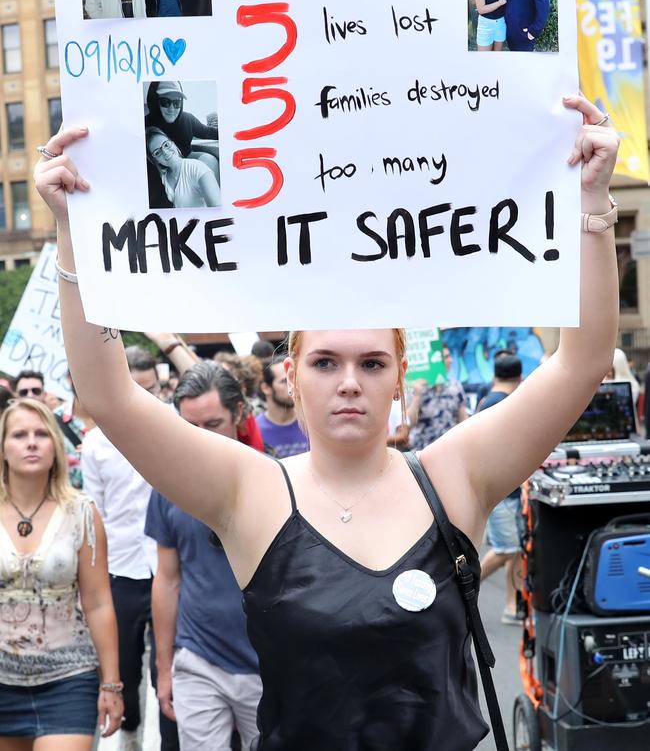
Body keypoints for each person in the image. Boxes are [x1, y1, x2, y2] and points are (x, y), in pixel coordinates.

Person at [34, 94, 619, 750]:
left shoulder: (456, 474)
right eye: (325, 361)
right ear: (291, 372)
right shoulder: (250, 491)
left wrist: (591, 208)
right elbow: (110, 396)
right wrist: (73, 234)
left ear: (400, 373)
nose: (348, 381)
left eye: (371, 362)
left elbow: (583, 362)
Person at [146, 362, 261, 751]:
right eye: (188, 428)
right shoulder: (166, 484)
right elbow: (167, 579)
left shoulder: (274, 480)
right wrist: (165, 668)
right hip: (197, 660)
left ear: (239, 414)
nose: (198, 439)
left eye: (212, 425)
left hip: (268, 667)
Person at [0, 398, 123, 747]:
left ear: (56, 446)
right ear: (3, 448)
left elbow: (98, 603)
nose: (32, 442)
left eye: (42, 433)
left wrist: (111, 683)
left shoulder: (82, 513)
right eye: (19, 434)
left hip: (68, 681)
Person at [81, 346, 175, 751]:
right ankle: (132, 736)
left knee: (167, 662)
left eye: (150, 391)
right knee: (124, 660)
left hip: (170, 562)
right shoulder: (95, 444)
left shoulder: (176, 427)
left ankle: (172, 734)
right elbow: (95, 511)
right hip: (121, 566)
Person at [477, 354, 525, 624]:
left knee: (515, 549)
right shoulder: (504, 403)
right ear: (520, 377)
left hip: (504, 488)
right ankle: (462, 585)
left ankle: (512, 605)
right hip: (504, 490)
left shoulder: (489, 399)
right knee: (507, 549)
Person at [406, 345, 468, 451]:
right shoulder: (416, 388)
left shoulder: (455, 386)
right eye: (445, 357)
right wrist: (417, 396)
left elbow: (463, 421)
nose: (451, 361)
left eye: (449, 356)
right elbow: (408, 424)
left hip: (450, 450)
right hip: (422, 453)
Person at [146, 127, 221, 210]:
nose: (165, 152)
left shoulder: (198, 168)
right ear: (155, 160)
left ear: (173, 143)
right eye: (157, 152)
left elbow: (216, 209)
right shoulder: (165, 176)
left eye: (166, 145)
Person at [256, 358, 310, 458]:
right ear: (266, 388)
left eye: (294, 379)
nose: (293, 386)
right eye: (285, 381)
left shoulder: (311, 423)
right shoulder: (256, 429)